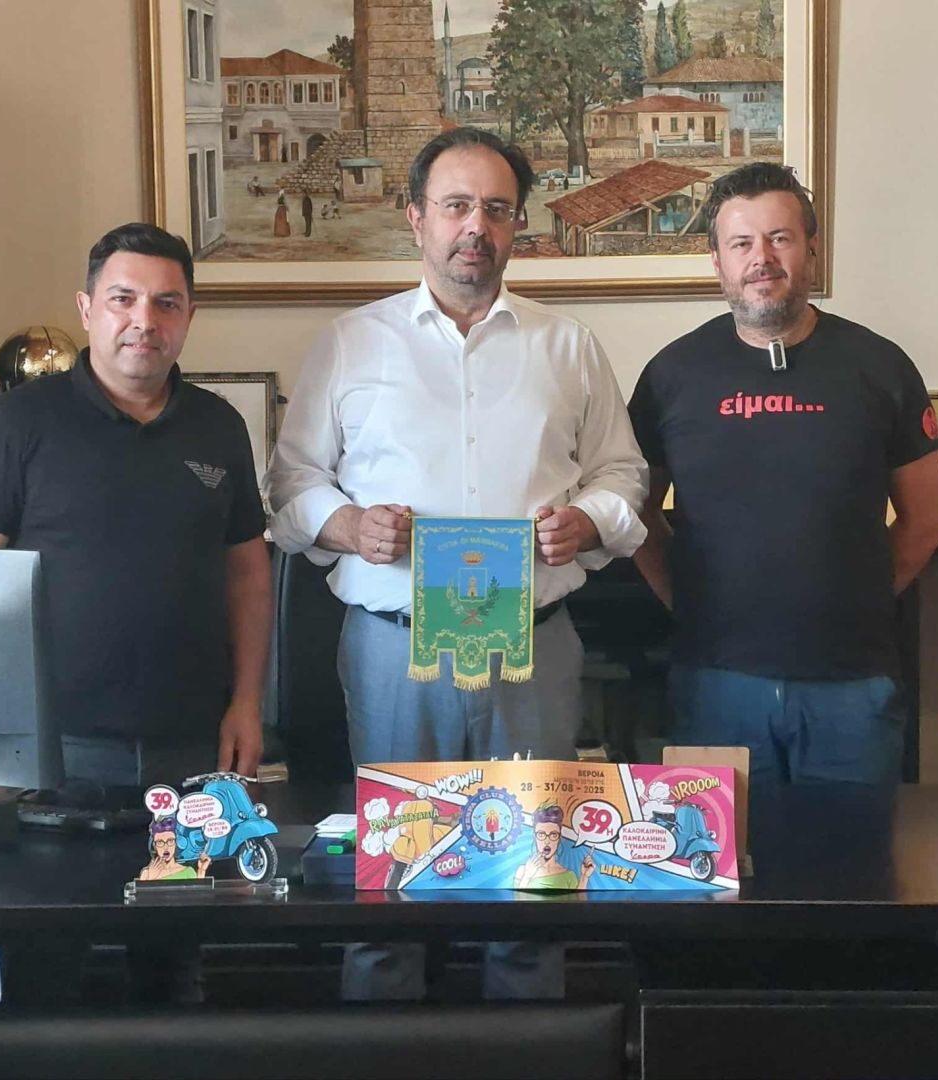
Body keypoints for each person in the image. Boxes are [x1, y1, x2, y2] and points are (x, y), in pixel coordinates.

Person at [269, 126, 647, 1000]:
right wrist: (348, 526)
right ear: (417, 217)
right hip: (394, 650)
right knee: (392, 890)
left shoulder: (569, 346)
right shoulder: (350, 343)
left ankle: (531, 1052)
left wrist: (587, 522)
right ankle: (386, 1051)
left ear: (517, 225)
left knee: (531, 889)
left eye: (496, 209)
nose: (476, 225)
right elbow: (290, 484)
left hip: (533, 649)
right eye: (456, 205)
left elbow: (623, 474)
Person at [628, 162, 938, 787]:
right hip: (715, 682)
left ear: (811, 249)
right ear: (716, 260)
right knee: (715, 850)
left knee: (850, 848)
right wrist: (688, 601)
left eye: (780, 238)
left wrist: (855, 599)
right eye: (741, 243)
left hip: (852, 684)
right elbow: (636, 511)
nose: (762, 258)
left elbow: (928, 518)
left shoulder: (880, 367)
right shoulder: (672, 375)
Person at [0, 222, 272, 793]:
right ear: (87, 309)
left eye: (166, 304)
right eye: (123, 299)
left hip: (193, 741)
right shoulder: (17, 422)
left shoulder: (220, 426)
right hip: (53, 744)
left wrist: (248, 702)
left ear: (189, 316)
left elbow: (247, 575)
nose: (145, 321)